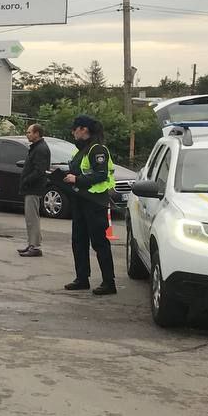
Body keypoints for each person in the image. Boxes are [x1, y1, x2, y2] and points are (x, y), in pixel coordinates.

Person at [62, 115, 117, 295]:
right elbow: (78, 169)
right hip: (80, 201)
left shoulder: (97, 149)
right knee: (79, 241)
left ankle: (109, 283)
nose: (73, 132)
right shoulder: (81, 150)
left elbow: (101, 175)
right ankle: (82, 279)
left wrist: (76, 179)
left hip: (95, 202)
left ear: (84, 129)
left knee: (99, 243)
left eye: (75, 128)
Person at [18, 123, 51, 257]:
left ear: (37, 134)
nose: (28, 135)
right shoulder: (36, 148)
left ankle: (35, 246)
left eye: (29, 132)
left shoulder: (41, 149)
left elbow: (39, 170)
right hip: (31, 188)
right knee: (30, 218)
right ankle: (31, 243)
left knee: (32, 218)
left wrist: (26, 180)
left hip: (34, 188)